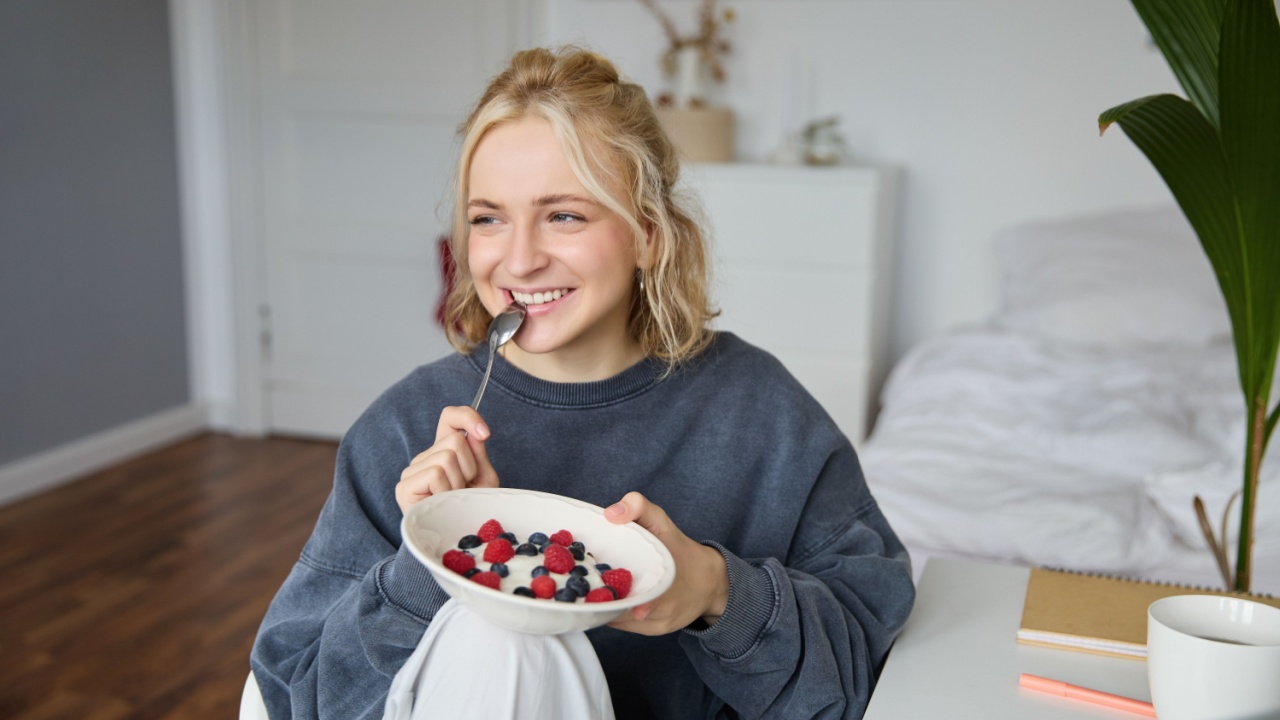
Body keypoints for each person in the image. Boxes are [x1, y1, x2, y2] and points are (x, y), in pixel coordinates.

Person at [250, 45, 915, 720]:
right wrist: (437, 555)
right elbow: (297, 694)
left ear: (648, 235)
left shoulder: (764, 417)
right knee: (497, 634)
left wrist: (716, 592)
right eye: (488, 218)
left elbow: (873, 667)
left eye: (564, 214)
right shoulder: (400, 430)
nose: (519, 258)